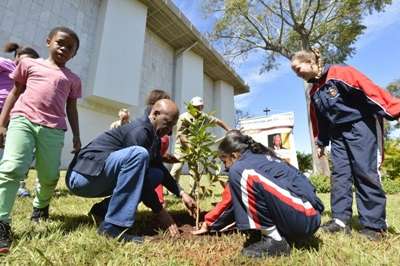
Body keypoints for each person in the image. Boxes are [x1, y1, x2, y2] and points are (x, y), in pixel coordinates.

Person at [291, 49, 400, 240]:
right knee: (340, 175)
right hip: (337, 134)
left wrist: (394, 109)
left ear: (310, 61)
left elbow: (370, 90)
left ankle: (375, 227)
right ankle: (340, 221)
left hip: (361, 125)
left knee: (365, 172)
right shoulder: (314, 90)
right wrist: (321, 141)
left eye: (297, 68)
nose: (296, 73)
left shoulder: (340, 74)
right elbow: (320, 119)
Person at [66, 99, 196, 243]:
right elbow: (141, 180)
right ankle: (112, 229)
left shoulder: (154, 136)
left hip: (98, 176)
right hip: (81, 176)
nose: (170, 132)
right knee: (138, 155)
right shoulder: (139, 131)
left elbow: (159, 168)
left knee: (156, 174)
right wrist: (160, 211)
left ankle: (101, 211)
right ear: (155, 114)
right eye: (168, 124)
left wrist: (181, 193)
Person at [0, 26, 82, 254]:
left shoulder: (73, 79)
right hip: (23, 120)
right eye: (60, 42)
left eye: (70, 47)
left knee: (49, 176)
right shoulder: (29, 65)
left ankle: (40, 206)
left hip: (53, 129)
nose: (64, 48)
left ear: (74, 54)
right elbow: (15, 93)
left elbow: (72, 108)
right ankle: (2, 223)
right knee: (11, 167)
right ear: (48, 41)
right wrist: (2, 123)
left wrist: (76, 135)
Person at [192, 130, 323, 258]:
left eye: (224, 161)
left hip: (304, 216)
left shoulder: (242, 165)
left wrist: (209, 222)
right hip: (307, 213)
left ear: (234, 155)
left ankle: (275, 241)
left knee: (238, 171)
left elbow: (229, 200)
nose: (225, 167)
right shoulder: (264, 158)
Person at [0, 42, 40, 198]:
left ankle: (18, 184)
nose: (26, 65)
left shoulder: (31, 77)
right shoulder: (6, 64)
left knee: (19, 151)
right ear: (16, 57)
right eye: (23, 60)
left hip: (16, 116)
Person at [170, 96, 231, 183]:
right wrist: (189, 146)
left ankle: (193, 192)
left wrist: (229, 129)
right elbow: (181, 135)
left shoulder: (203, 116)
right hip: (182, 147)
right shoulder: (183, 117)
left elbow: (218, 121)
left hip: (195, 146)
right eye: (196, 107)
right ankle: (172, 187)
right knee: (177, 167)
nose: (198, 109)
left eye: (200, 107)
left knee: (194, 170)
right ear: (191, 107)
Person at [144, 89, 179, 207]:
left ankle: (158, 200)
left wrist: (181, 192)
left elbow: (155, 158)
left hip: (156, 156)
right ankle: (158, 200)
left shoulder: (155, 128)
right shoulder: (147, 128)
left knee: (157, 170)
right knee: (154, 170)